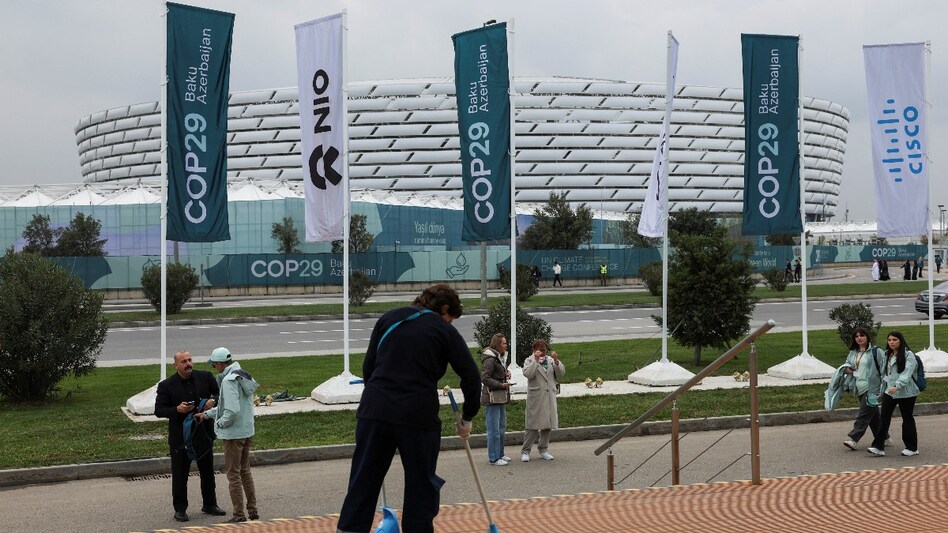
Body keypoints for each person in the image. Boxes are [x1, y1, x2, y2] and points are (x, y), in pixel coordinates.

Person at [337, 284, 481, 533]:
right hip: (417, 415)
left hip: (375, 410)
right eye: (450, 318)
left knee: (363, 481)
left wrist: (378, 397)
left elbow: (369, 367)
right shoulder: (443, 330)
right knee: (420, 486)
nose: (450, 323)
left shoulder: (389, 318)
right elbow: (471, 375)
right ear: (444, 309)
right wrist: (467, 416)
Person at [154, 351, 226, 523]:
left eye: (189, 360)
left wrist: (213, 401)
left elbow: (220, 395)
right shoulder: (166, 385)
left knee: (207, 471)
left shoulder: (205, 377)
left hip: (203, 433)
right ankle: (180, 509)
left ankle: (210, 504)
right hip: (181, 437)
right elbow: (159, 410)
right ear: (176, 365)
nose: (188, 364)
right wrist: (177, 409)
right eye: (184, 361)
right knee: (180, 474)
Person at [196, 347, 260, 523]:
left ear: (219, 363)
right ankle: (252, 510)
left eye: (214, 365)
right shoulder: (243, 375)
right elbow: (230, 406)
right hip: (246, 431)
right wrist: (206, 414)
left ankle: (239, 514)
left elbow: (231, 410)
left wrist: (219, 423)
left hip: (233, 435)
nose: (214, 368)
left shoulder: (228, 381)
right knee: (245, 471)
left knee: (233, 475)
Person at [868, 331, 921, 457]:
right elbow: (885, 374)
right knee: (884, 418)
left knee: (907, 418)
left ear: (900, 341)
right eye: (889, 340)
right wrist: (882, 389)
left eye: (894, 340)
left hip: (906, 392)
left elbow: (907, 373)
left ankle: (912, 448)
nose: (891, 342)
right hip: (889, 391)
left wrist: (897, 386)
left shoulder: (908, 355)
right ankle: (878, 447)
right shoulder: (887, 354)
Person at [841, 328, 886, 451]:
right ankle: (884, 437)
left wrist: (885, 385)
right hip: (859, 387)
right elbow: (846, 365)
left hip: (872, 388)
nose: (859, 338)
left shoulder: (876, 351)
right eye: (857, 336)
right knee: (873, 415)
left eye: (862, 335)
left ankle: (854, 439)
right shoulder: (853, 353)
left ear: (867, 337)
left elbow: (884, 368)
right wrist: (847, 370)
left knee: (864, 414)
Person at [521, 339, 565, 462]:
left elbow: (561, 372)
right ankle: (525, 450)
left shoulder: (550, 361)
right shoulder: (529, 360)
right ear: (534, 350)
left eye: (544, 350)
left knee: (547, 425)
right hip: (536, 397)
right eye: (540, 350)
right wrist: (536, 360)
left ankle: (543, 449)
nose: (542, 353)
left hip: (549, 396)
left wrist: (556, 360)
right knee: (532, 426)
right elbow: (528, 374)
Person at [481, 333, 511, 466]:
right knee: (493, 429)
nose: (506, 345)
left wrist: (505, 373)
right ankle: (493, 458)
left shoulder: (499, 357)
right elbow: (485, 378)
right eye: (504, 343)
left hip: (500, 396)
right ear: (498, 344)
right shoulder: (490, 359)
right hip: (492, 397)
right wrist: (500, 385)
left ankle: (500, 454)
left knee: (501, 427)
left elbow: (497, 373)